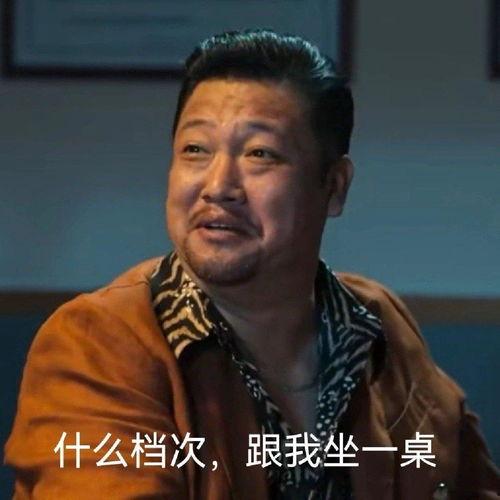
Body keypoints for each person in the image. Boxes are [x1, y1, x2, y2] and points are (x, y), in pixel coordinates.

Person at [5, 30, 498, 499]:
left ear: (334, 186)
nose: (218, 186)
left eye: (260, 154)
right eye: (195, 150)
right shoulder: (97, 341)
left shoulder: (375, 322)